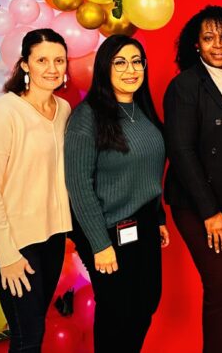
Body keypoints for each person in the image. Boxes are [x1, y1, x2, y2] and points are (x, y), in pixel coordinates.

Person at [164, 5, 222, 353]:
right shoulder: (185, 86)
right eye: (208, 38)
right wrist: (209, 212)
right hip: (199, 202)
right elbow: (181, 151)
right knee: (221, 288)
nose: (217, 45)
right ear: (196, 45)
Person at [64, 35, 168, 352]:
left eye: (136, 61)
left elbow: (148, 170)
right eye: (120, 62)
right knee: (116, 312)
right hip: (106, 229)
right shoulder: (88, 116)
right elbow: (78, 185)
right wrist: (99, 244)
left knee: (146, 302)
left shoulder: (142, 109)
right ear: (105, 68)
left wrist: (159, 217)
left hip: (143, 223)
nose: (130, 70)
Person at [0, 28, 72, 352]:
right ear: (25, 65)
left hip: (52, 237)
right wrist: (7, 255)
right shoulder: (3, 113)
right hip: (14, 242)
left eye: (59, 60)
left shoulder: (64, 110)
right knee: (28, 338)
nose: (52, 68)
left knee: (32, 330)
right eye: (42, 59)